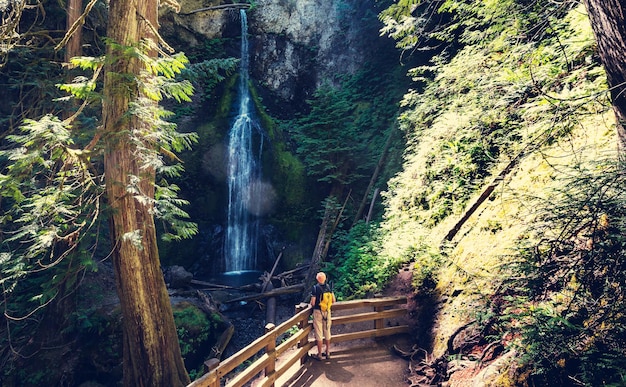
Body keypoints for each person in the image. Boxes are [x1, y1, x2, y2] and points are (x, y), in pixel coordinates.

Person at [310, 271, 336, 360]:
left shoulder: (315, 288)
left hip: (318, 312)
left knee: (319, 333)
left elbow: (313, 303)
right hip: (327, 312)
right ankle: (328, 352)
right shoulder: (328, 287)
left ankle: (320, 354)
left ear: (317, 279)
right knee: (327, 331)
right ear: (325, 279)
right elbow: (333, 300)